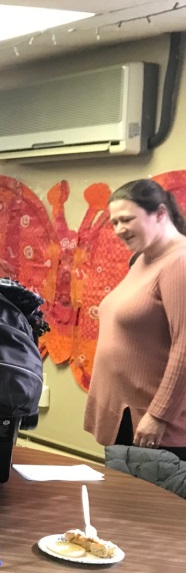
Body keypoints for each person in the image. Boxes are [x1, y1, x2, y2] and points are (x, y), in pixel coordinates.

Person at [85, 179, 186, 458]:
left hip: (154, 429)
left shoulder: (179, 262)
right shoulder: (143, 260)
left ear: (161, 214)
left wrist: (159, 415)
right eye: (114, 222)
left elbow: (184, 347)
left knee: (140, 503)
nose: (119, 229)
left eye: (127, 219)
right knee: (116, 500)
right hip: (126, 419)